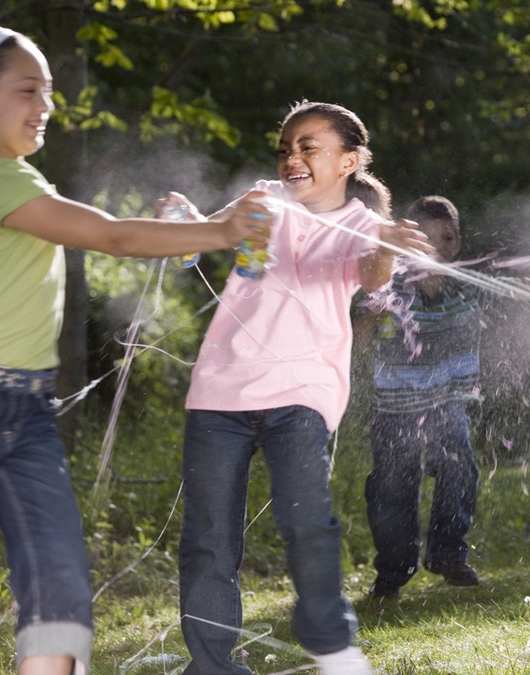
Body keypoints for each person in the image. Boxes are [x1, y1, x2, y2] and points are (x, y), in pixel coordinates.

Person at [0, 20, 269, 675]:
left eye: (47, 90)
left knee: (61, 589)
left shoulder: (13, 179)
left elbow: (111, 229)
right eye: (27, 90)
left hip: (29, 414)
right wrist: (219, 229)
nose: (46, 104)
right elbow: (110, 237)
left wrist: (189, 230)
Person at [176, 101, 433, 675]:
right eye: (286, 148)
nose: (292, 157)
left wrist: (388, 244)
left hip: (301, 392)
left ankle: (333, 647)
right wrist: (186, 220)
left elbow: (370, 276)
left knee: (307, 523)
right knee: (208, 541)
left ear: (349, 161)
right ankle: (211, 667)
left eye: (308, 147)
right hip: (220, 392)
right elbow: (203, 239)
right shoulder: (264, 199)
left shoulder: (364, 226)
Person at [357, 196, 530, 600]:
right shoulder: (390, 284)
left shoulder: (468, 286)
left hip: (448, 401)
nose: (435, 247)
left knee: (459, 468)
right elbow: (360, 336)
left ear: (456, 244)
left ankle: (447, 553)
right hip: (394, 407)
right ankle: (392, 570)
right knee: (391, 488)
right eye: (423, 239)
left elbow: (527, 289)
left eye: (445, 239)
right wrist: (373, 313)